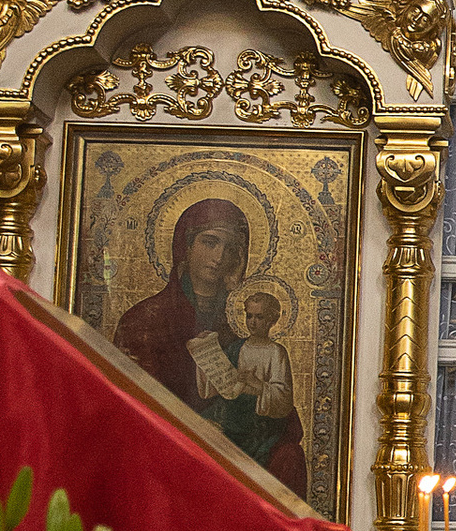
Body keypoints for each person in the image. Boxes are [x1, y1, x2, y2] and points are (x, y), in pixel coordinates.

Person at [110, 197, 308, 494]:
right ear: (185, 248)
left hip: (241, 445)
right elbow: (135, 413)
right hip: (174, 448)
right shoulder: (144, 321)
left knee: (289, 456)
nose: (219, 256)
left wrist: (252, 392)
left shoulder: (242, 324)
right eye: (210, 242)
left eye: (230, 249)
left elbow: (285, 420)